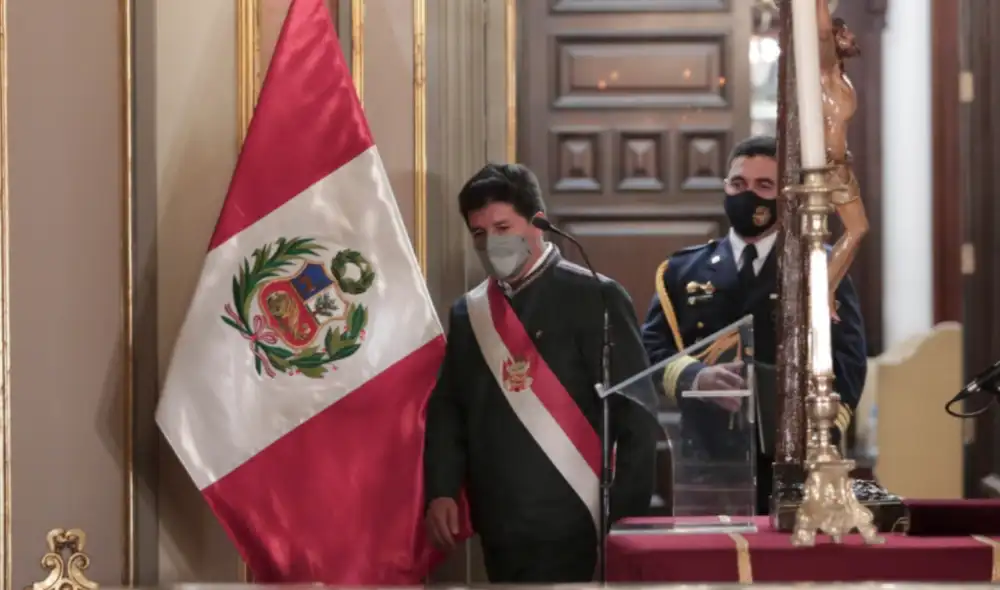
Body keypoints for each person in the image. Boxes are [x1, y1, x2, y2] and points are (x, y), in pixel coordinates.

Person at [423, 163, 657, 583]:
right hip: (500, 520)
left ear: (539, 223)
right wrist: (441, 489)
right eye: (480, 233)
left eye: (502, 227)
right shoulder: (469, 313)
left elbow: (636, 415)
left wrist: (628, 521)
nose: (491, 242)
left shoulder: (597, 295)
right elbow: (449, 409)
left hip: (579, 519)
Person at [639, 135, 867, 515]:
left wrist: (819, 432)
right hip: (706, 462)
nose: (749, 195)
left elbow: (848, 362)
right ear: (725, 188)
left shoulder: (820, 267)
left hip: (795, 460)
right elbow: (649, 351)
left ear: (786, 195)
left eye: (764, 186)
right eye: (738, 184)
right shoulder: (683, 271)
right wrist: (694, 377)